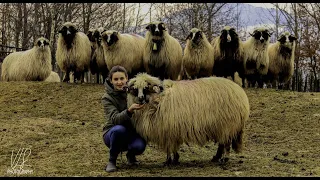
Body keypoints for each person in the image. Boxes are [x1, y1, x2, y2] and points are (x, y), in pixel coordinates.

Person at [101, 65, 146, 172]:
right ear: (111, 81)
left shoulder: (133, 92)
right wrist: (129, 110)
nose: (119, 82)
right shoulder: (107, 98)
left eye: (122, 79)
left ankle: (131, 155)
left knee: (139, 146)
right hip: (112, 133)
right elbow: (115, 119)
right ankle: (112, 161)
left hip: (131, 131)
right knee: (119, 130)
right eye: (115, 79)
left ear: (127, 78)